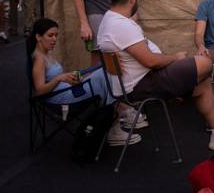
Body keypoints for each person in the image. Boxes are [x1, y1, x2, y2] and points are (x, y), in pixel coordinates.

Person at [99, 0, 214, 150]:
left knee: (203, 83)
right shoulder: (121, 26)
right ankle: (210, 69)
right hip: (142, 85)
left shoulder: (108, 19)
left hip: (136, 82)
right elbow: (150, 61)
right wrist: (175, 57)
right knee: (204, 63)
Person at [28, 18, 140, 146]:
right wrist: (59, 78)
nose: (54, 39)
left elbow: (55, 80)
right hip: (61, 99)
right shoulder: (39, 59)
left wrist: (69, 79)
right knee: (105, 76)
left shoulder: (45, 54)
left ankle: (117, 119)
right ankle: (117, 122)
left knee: (103, 72)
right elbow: (39, 91)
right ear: (38, 37)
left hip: (68, 90)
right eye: (50, 35)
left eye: (55, 35)